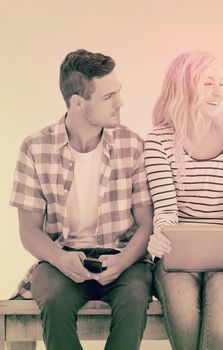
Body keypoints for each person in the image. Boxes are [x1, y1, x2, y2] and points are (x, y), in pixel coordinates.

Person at [9, 49, 153, 350]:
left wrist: (124, 260)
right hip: (62, 257)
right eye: (108, 97)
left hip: (123, 258)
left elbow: (146, 223)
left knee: (135, 298)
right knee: (53, 300)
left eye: (119, 92)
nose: (120, 103)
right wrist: (59, 258)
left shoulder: (132, 145)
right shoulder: (35, 148)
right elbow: (29, 230)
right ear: (78, 102)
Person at [144, 51, 223, 350]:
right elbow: (166, 209)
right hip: (178, 257)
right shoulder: (157, 140)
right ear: (185, 86)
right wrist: (162, 238)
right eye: (208, 83)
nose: (218, 92)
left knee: (219, 325)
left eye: (221, 83)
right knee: (183, 318)